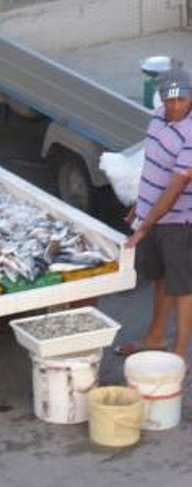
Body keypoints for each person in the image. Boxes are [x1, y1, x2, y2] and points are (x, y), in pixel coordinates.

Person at [117, 67, 192, 360]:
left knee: (184, 288)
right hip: (154, 214)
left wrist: (145, 226)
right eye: (169, 100)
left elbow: (177, 184)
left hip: (180, 221)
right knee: (160, 279)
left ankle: (180, 352)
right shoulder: (157, 118)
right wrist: (141, 202)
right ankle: (156, 338)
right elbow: (151, 166)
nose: (174, 107)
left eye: (181, 100)